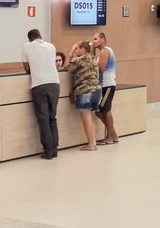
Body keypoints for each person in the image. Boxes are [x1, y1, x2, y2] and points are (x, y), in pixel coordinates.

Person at [21, 29, 61, 160]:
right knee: (52, 118)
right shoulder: (51, 46)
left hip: (39, 84)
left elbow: (27, 68)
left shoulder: (27, 47)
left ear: (29, 39)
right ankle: (55, 149)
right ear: (40, 36)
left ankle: (48, 151)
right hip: (55, 83)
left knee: (43, 119)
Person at [66, 40, 102, 151]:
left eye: (76, 48)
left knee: (86, 119)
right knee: (91, 117)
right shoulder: (93, 58)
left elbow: (67, 67)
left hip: (85, 91)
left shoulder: (79, 60)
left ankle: (90, 144)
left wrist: (70, 53)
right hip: (96, 90)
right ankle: (93, 142)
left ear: (83, 49)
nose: (75, 50)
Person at [92, 32, 119, 145]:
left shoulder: (105, 51)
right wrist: (92, 50)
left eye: (95, 39)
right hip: (103, 85)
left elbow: (100, 68)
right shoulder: (101, 53)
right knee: (99, 110)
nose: (93, 41)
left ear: (103, 39)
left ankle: (110, 137)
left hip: (107, 84)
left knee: (104, 110)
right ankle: (113, 134)